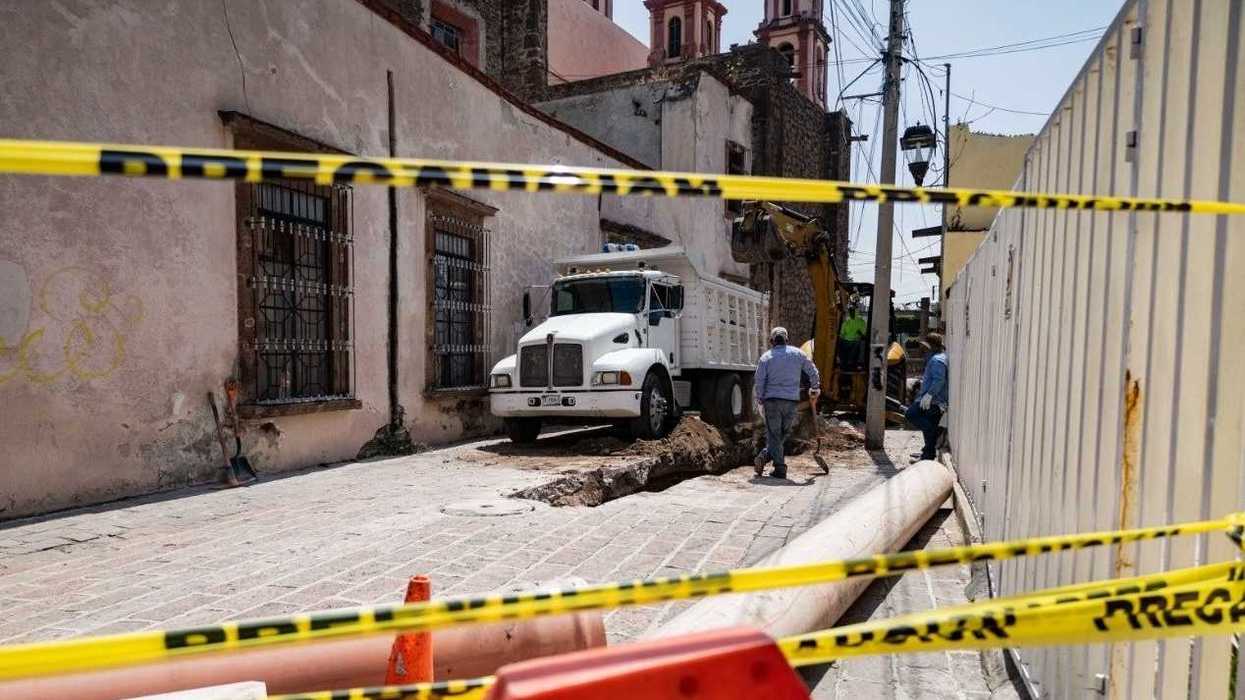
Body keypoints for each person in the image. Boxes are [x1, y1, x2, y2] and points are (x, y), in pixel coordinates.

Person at [753, 327, 821, 480]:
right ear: (787, 340)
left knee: (775, 435)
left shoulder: (766, 357)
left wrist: (760, 398)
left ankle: (777, 466)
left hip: (772, 403)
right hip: (791, 403)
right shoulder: (798, 354)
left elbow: (759, 381)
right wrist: (815, 387)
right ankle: (768, 459)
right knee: (781, 435)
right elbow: (813, 371)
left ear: (771, 341)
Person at [905, 332, 948, 462]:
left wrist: (929, 395)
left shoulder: (936, 360)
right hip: (934, 400)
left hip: (933, 400)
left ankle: (936, 433)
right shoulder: (939, 358)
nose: (923, 350)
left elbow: (939, 380)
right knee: (928, 424)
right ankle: (927, 455)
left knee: (911, 414)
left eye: (925, 347)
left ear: (932, 346)